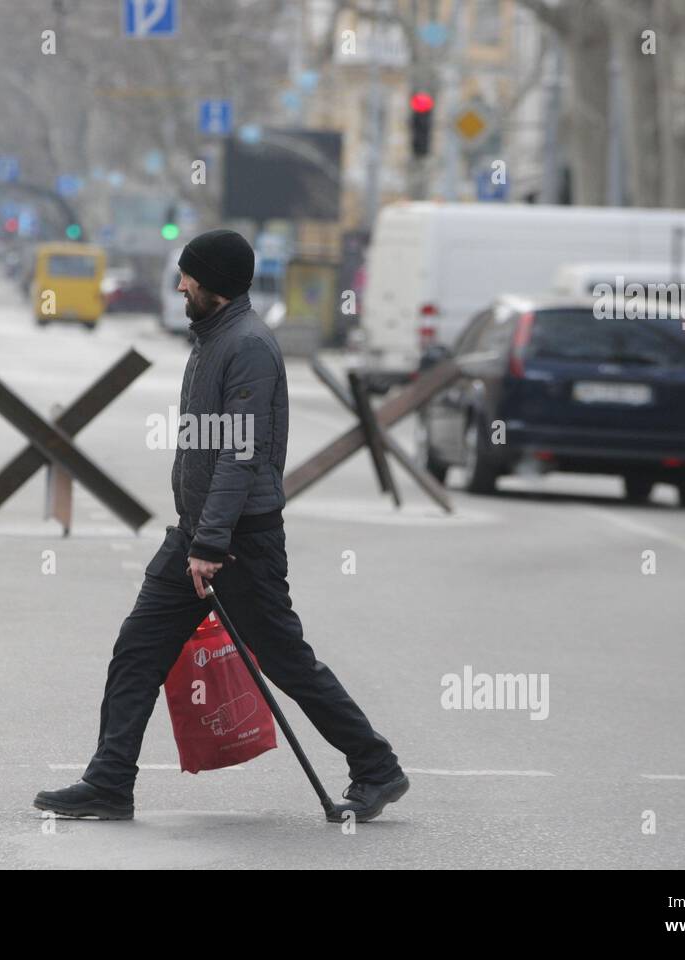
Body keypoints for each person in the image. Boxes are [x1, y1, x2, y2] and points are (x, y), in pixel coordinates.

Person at [34, 229, 407, 823]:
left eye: (188, 276)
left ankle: (376, 766)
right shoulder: (212, 339)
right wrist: (195, 532)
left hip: (238, 542)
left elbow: (241, 454)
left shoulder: (249, 347)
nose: (180, 285)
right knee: (138, 649)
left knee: (285, 661)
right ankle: (109, 781)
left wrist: (209, 544)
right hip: (196, 533)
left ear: (212, 283)